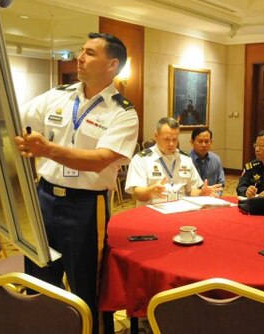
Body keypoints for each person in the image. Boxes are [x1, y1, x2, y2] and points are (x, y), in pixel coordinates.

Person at [14, 32, 139, 334]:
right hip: (43, 198)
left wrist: (47, 150)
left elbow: (99, 160)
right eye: (81, 51)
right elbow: (16, 119)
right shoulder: (57, 95)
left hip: (84, 207)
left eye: (90, 53)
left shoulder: (122, 112)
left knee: (87, 285)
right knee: (39, 278)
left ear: (112, 65)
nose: (79, 58)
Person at [125, 117, 223, 206]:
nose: (171, 144)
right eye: (166, 139)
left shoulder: (185, 159)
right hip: (153, 212)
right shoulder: (141, 159)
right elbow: (138, 194)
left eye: (175, 139)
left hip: (180, 212)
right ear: (156, 136)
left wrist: (201, 193)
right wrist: (151, 190)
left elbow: (190, 191)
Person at [189, 127, 225, 195]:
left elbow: (221, 183)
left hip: (213, 198)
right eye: (200, 141)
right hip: (192, 199)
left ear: (211, 142)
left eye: (206, 141)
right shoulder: (186, 160)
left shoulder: (216, 160)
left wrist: (215, 195)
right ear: (192, 142)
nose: (203, 145)